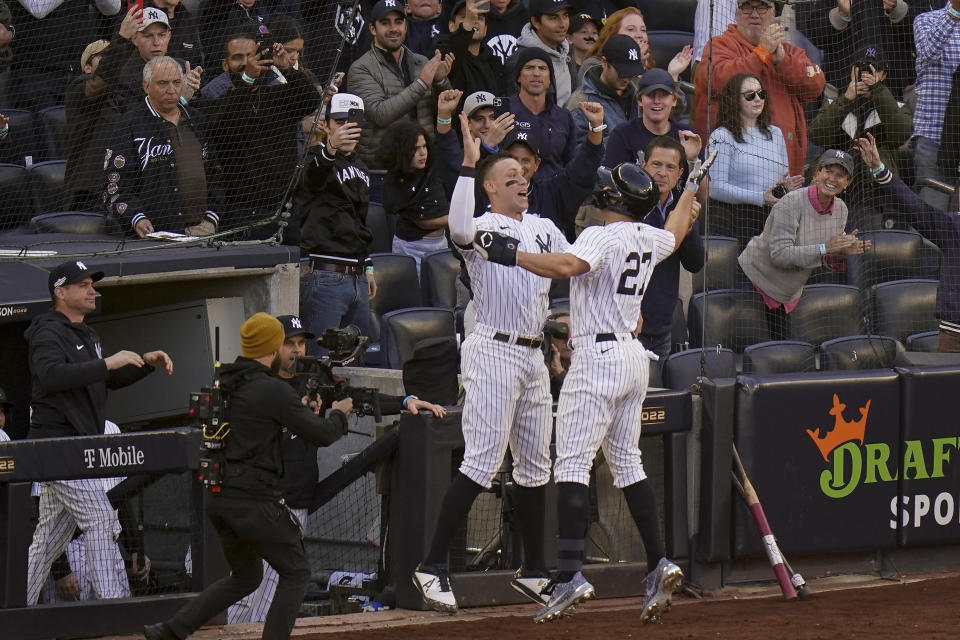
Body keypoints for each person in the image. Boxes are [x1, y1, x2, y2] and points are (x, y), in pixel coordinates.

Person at [468, 160, 702, 623]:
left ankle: (571, 573)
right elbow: (676, 233)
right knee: (628, 463)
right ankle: (659, 561)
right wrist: (689, 189)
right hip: (635, 359)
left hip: (597, 360)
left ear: (614, 200)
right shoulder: (645, 235)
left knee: (572, 465)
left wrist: (511, 254)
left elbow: (569, 264)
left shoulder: (603, 233)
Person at [411, 113, 571, 613]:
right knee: (482, 462)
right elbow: (457, 228)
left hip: (532, 355)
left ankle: (537, 571)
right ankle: (430, 566)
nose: (522, 183)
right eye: (510, 180)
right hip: (493, 348)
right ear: (490, 190)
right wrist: (468, 163)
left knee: (535, 466)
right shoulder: (482, 224)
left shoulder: (544, 227)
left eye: (524, 177)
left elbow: (578, 267)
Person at [142, 313, 350, 640]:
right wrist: (340, 413)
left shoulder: (225, 380)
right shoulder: (270, 389)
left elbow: (257, 424)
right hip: (253, 501)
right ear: (271, 346)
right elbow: (323, 434)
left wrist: (298, 409)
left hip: (218, 497)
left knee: (245, 577)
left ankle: (169, 631)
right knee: (297, 573)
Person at [226, 314, 446, 623]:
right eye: (289, 343)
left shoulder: (314, 379)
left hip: (295, 504)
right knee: (248, 595)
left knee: (270, 596)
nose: (297, 350)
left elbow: (358, 400)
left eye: (301, 343)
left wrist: (405, 399)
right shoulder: (261, 387)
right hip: (263, 502)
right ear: (273, 348)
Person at [25, 259, 173, 606]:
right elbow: (50, 376)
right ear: (60, 292)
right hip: (56, 447)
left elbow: (105, 378)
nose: (93, 291)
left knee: (48, 539)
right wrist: (109, 362)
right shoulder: (47, 330)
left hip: (78, 447)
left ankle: (15, 606)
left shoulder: (87, 334)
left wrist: (143, 364)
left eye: (93, 284)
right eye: (83, 285)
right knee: (102, 517)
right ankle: (115, 608)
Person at [196, 34, 321, 237]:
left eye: (251, 56)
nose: (247, 63)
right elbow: (225, 119)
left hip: (286, 210)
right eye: (238, 57)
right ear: (225, 64)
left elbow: (310, 100)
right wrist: (247, 79)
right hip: (241, 214)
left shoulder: (276, 95)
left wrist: (286, 68)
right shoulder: (214, 100)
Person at [738, 149, 870, 339]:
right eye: (828, 172)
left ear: (847, 183)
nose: (832, 179)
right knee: (758, 355)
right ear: (817, 173)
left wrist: (841, 252)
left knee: (785, 356)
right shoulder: (791, 202)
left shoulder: (841, 210)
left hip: (788, 294)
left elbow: (821, 258)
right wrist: (826, 248)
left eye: (840, 175)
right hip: (754, 282)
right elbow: (780, 255)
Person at [693, 0, 825, 175]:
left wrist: (783, 61)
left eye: (762, 7)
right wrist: (762, 53)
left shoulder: (789, 52)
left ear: (773, 13)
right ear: (737, 12)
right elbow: (719, 82)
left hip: (786, 174)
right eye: (747, 6)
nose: (754, 14)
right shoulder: (720, 45)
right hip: (733, 172)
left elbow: (815, 85)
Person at [103, 56, 222, 238]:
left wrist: (211, 218)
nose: (171, 90)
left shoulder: (197, 121)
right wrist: (137, 218)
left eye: (176, 82)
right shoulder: (128, 125)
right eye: (163, 83)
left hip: (201, 231)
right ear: (146, 86)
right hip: (154, 236)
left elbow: (214, 174)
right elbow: (115, 185)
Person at [297, 93, 377, 350]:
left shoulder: (361, 167)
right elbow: (310, 182)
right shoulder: (313, 158)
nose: (346, 129)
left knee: (354, 363)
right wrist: (329, 148)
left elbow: (360, 220)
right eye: (340, 122)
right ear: (327, 124)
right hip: (325, 273)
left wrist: (369, 267)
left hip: (357, 276)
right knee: (319, 362)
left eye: (351, 123)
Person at [807, 47, 912, 230]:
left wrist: (878, 91)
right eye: (862, 68)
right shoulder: (835, 103)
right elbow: (817, 135)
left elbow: (901, 134)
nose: (866, 75)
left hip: (874, 196)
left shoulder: (897, 106)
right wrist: (847, 99)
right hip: (833, 191)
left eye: (874, 70)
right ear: (851, 70)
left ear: (884, 75)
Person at [348, 0, 454, 168]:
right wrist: (422, 83)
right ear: (372, 29)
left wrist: (441, 82)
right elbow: (380, 114)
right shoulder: (360, 68)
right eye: (385, 23)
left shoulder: (421, 62)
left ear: (406, 26)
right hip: (382, 170)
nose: (393, 29)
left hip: (424, 165)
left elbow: (442, 112)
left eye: (398, 22)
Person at [707, 73, 801, 246]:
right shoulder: (721, 136)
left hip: (771, 216)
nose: (758, 99)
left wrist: (785, 187)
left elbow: (783, 176)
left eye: (761, 93)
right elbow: (716, 189)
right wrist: (760, 197)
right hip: (736, 220)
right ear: (734, 100)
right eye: (750, 95)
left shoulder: (776, 133)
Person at [637, 136, 705, 359]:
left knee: (662, 393)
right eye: (656, 164)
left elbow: (694, 263)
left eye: (670, 167)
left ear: (680, 174)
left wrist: (689, 226)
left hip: (663, 326)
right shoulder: (629, 205)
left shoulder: (682, 205)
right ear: (643, 165)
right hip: (630, 326)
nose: (662, 173)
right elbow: (650, 252)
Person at [378, 120, 457, 273]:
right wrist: (461, 220)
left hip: (441, 244)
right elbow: (425, 222)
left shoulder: (432, 168)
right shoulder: (395, 183)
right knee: (417, 295)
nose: (423, 153)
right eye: (415, 149)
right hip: (411, 247)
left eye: (424, 146)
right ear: (401, 151)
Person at [911, 0, 960, 210]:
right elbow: (928, 53)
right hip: (933, 134)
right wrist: (955, 11)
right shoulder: (926, 20)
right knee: (933, 214)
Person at [502, 47, 576, 178]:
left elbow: (570, 163)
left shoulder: (564, 117)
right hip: (514, 191)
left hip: (554, 193)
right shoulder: (505, 112)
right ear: (518, 77)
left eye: (542, 68)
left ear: (549, 80)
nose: (536, 73)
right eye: (529, 68)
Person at [579, 7, 693, 85]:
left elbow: (670, 111)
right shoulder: (593, 65)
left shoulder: (648, 69)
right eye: (630, 29)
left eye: (643, 30)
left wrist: (672, 75)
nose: (639, 35)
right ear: (612, 34)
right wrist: (634, 65)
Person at [566, 34, 643, 146]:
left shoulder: (639, 95)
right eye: (622, 71)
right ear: (604, 62)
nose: (626, 78)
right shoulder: (582, 102)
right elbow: (578, 155)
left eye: (631, 72)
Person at [510, 0, 575, 107]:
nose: (563, 24)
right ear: (535, 22)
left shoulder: (566, 52)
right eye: (553, 18)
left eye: (565, 16)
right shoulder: (519, 60)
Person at [438, 0, 505, 98]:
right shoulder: (441, 54)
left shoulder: (495, 63)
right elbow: (453, 55)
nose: (474, 20)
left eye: (480, 18)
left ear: (485, 29)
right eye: (465, 17)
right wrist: (467, 27)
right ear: (451, 25)